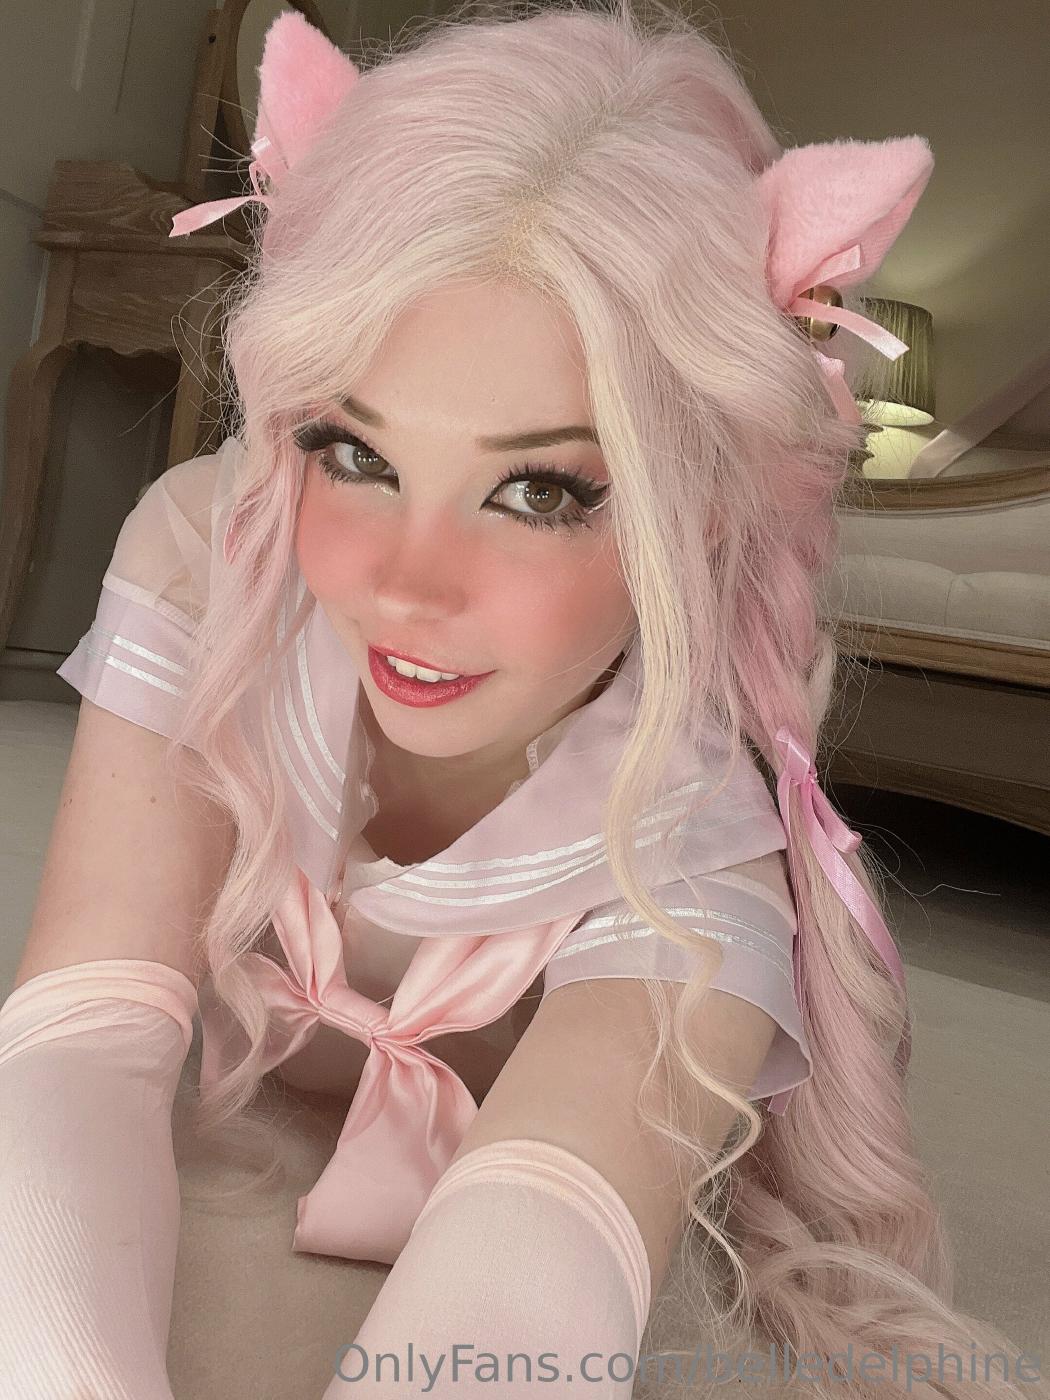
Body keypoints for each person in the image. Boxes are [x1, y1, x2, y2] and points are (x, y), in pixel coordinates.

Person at [0, 2, 1042, 1398]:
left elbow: (541, 1243)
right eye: (354, 451)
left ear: (698, 514)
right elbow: (86, 1025)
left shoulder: (695, 837)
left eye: (540, 490)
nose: (407, 585)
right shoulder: (211, 553)